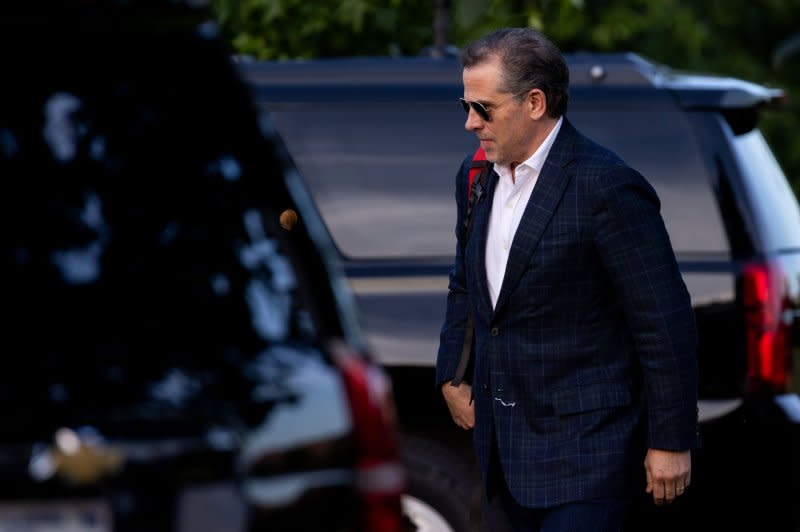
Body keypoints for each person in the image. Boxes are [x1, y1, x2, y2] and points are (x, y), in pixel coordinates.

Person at [435, 28, 700, 531]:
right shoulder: (475, 178)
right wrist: (453, 371)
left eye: (483, 108)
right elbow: (465, 284)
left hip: (589, 455)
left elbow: (663, 321)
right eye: (465, 106)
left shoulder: (605, 185)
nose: (470, 123)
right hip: (503, 452)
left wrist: (671, 440)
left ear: (534, 102)